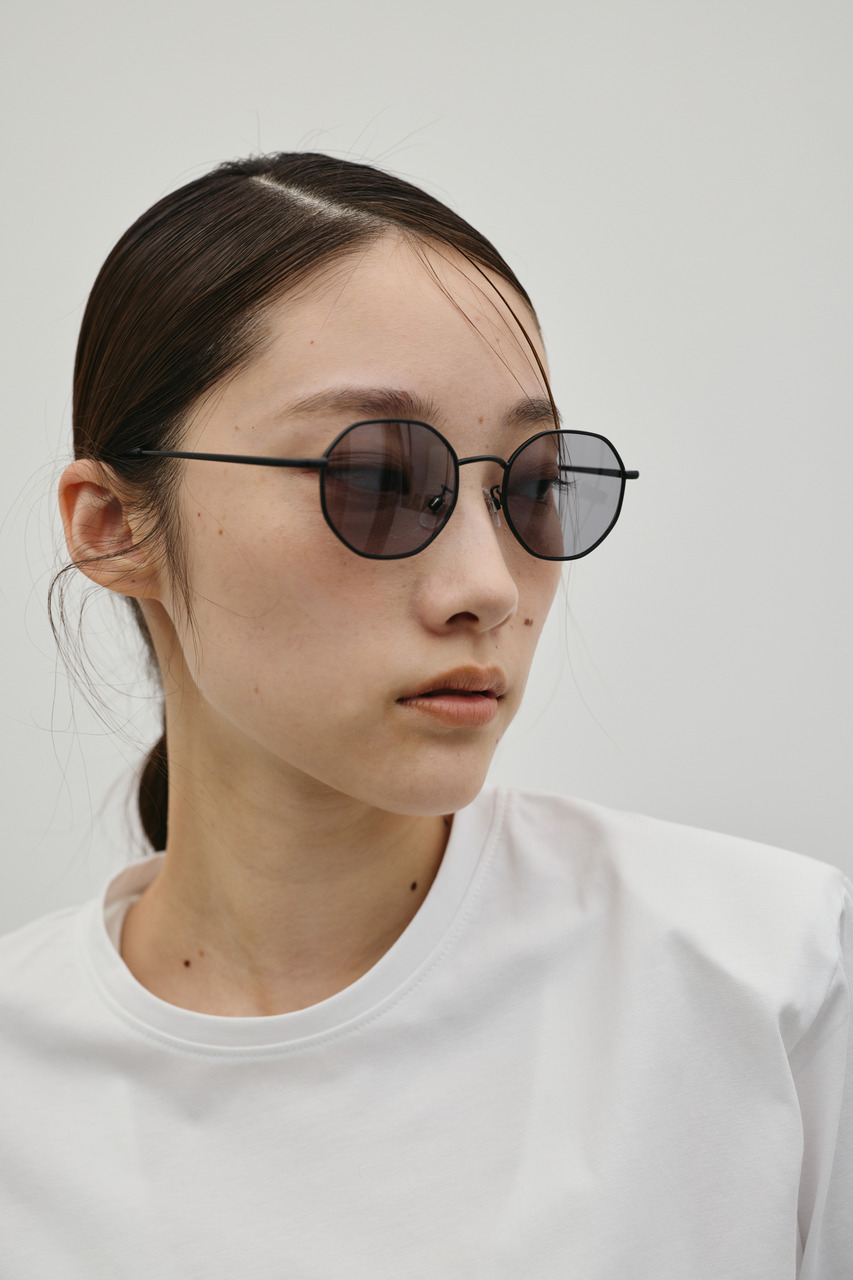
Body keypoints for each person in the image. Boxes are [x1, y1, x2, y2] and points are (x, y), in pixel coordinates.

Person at [0, 153, 849, 1278]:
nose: (488, 586)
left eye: (530, 487)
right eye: (377, 480)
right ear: (114, 525)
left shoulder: (770, 979)